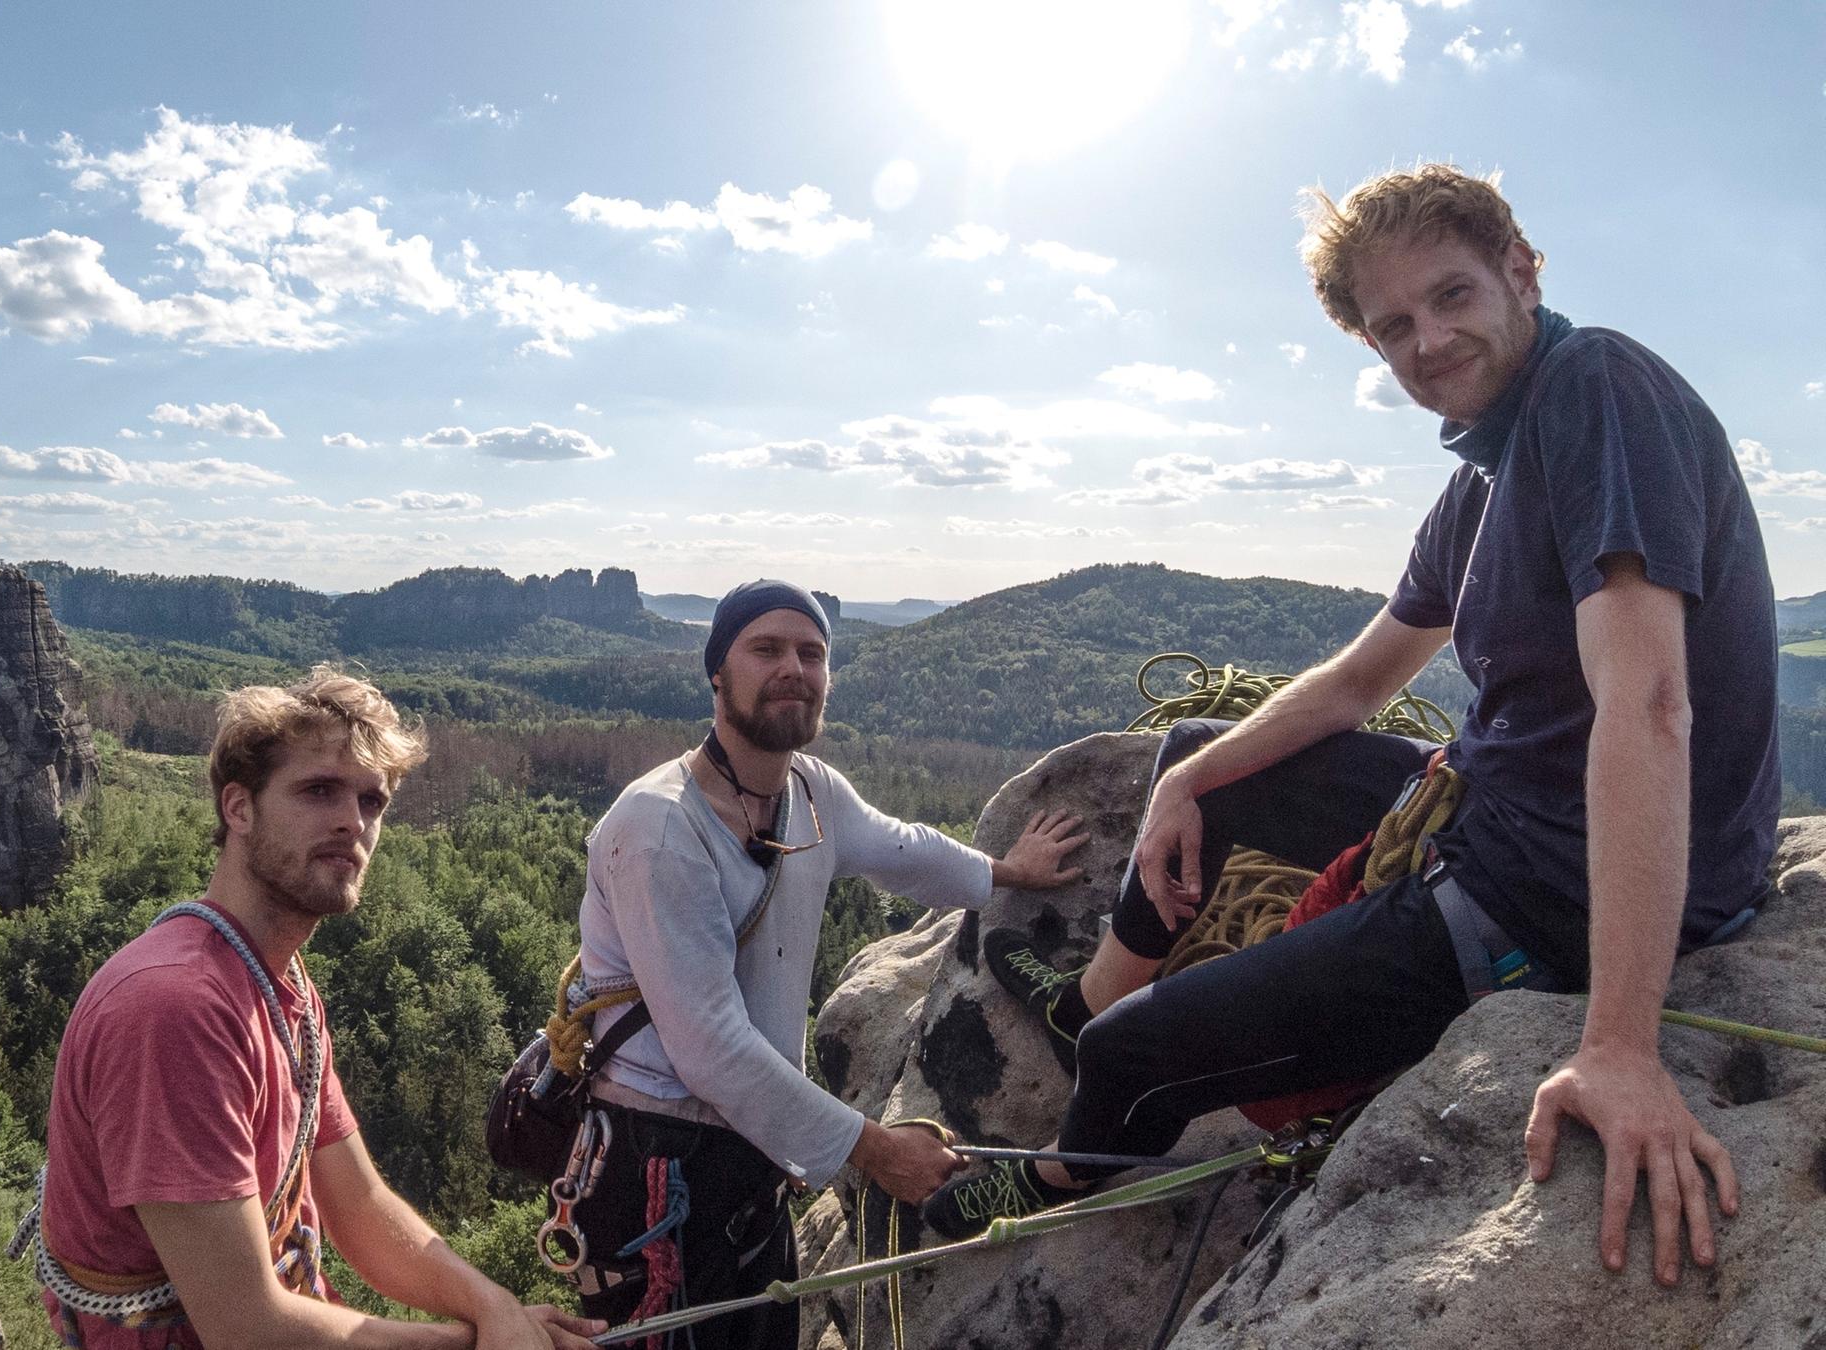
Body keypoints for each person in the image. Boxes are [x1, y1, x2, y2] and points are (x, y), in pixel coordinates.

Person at [950, 164, 1778, 1289]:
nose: (1428, 341)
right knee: (1202, 757)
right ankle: (1085, 997)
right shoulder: (1489, 464)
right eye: (1394, 327)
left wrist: (1621, 1046)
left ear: (1521, 274)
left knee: (1133, 1057)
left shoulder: (1597, 393)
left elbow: (1649, 702)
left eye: (1451, 297)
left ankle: (1068, 1161)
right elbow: (1355, 680)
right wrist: (1179, 790)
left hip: (1561, 888)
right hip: (1501, 803)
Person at [559, 580, 1091, 1347]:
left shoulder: (811, 793)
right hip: (660, 1169)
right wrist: (875, 1152)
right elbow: (709, 1047)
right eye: (766, 649)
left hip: (749, 1152)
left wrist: (1007, 871)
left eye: (812, 653)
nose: (794, 669)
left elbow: (903, 851)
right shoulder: (659, 826)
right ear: (717, 673)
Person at [26, 666, 606, 1349]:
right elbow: (247, 1329)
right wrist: (474, 1341)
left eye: (372, 802)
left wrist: (493, 1306)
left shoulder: (282, 988)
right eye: (319, 791)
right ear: (238, 808)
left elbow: (359, 1207)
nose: (351, 822)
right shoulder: (175, 1008)